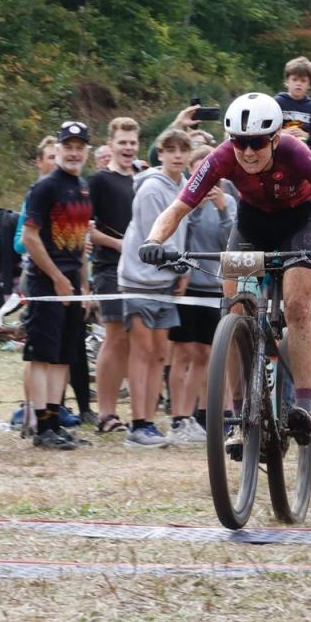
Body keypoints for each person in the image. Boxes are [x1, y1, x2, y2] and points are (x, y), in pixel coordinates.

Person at [138, 92, 311, 447]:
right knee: (234, 309)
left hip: (300, 224)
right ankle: (240, 416)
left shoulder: (296, 153)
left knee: (297, 305)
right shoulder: (222, 157)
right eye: (240, 143)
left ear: (274, 138)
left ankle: (303, 407)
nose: (247, 152)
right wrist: (153, 241)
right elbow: (177, 208)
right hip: (252, 225)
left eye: (256, 142)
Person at [21, 120, 94, 451]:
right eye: (69, 146)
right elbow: (29, 237)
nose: (74, 152)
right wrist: (57, 279)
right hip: (45, 282)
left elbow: (80, 243)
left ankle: (54, 418)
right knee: (41, 355)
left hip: (71, 284)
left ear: (86, 151)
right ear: (60, 148)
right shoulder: (45, 187)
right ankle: (42, 425)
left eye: (80, 147)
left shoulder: (82, 188)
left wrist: (83, 286)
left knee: (64, 356)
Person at [118, 128, 193, 448]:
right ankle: (138, 424)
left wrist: (183, 270)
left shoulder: (187, 187)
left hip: (166, 281)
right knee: (143, 351)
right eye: (170, 149)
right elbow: (154, 241)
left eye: (183, 149)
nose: (177, 155)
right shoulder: (151, 189)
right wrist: (175, 266)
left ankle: (150, 422)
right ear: (159, 154)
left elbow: (182, 234)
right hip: (139, 279)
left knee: (161, 353)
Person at [167, 145, 234, 438]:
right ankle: (178, 417)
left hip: (213, 286)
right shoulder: (184, 202)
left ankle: (194, 417)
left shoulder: (229, 201)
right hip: (187, 285)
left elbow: (229, 242)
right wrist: (195, 207)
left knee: (206, 355)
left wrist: (221, 210)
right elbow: (183, 235)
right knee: (181, 352)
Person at [90, 117, 141, 434]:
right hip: (109, 267)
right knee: (115, 337)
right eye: (122, 142)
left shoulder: (143, 177)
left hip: (141, 272)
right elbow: (87, 230)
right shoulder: (99, 181)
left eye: (133, 142)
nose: (128, 148)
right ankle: (105, 413)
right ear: (110, 145)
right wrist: (120, 245)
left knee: (138, 342)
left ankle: (137, 413)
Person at [274, 56, 311, 151]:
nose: (298, 84)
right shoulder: (276, 103)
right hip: (278, 152)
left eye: (303, 81)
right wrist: (282, 133)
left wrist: (307, 135)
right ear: (286, 81)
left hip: (304, 154)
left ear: (309, 84)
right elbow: (265, 131)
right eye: (294, 79)